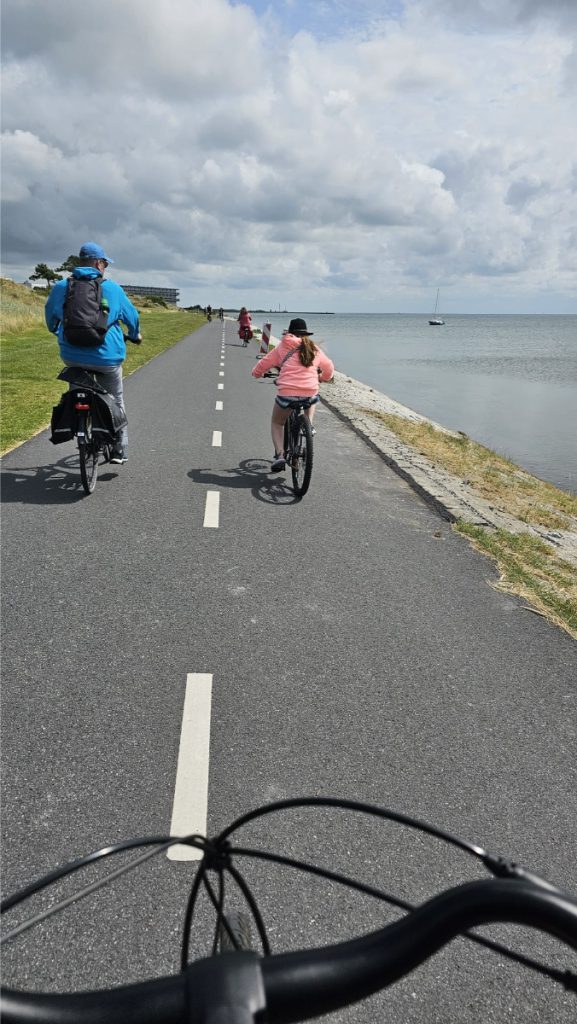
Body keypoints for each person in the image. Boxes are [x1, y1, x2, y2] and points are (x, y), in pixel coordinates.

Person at [45, 241, 141, 464]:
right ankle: (119, 449)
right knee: (116, 398)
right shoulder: (113, 289)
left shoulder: (62, 287)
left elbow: (50, 314)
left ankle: (80, 424)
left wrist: (53, 329)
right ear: (99, 263)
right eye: (105, 264)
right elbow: (132, 317)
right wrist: (135, 334)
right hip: (107, 358)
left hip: (72, 355)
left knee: (77, 390)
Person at [251, 318, 334, 472]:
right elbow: (328, 366)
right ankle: (309, 423)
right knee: (312, 395)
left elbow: (265, 363)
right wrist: (323, 378)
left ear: (289, 333)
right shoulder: (313, 348)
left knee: (277, 423)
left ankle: (281, 456)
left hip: (287, 394)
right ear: (306, 334)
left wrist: (256, 373)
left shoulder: (283, 346)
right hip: (309, 392)